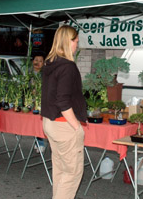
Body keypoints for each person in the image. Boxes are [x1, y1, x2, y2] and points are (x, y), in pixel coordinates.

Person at [41, 25, 87, 199]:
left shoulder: (50, 63)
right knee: (71, 174)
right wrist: (77, 127)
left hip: (50, 123)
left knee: (61, 171)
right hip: (64, 126)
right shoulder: (67, 66)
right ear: (68, 42)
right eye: (75, 41)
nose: (77, 45)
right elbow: (63, 101)